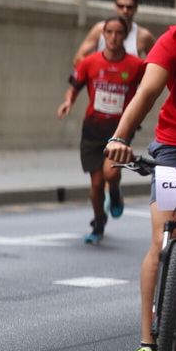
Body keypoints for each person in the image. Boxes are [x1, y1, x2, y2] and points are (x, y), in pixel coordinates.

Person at [103, 22, 176, 351]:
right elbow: (147, 92)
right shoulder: (174, 40)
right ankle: (148, 350)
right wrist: (120, 136)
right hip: (175, 151)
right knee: (164, 239)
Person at [59, 16, 144, 244]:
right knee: (96, 185)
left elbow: (148, 90)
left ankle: (114, 192)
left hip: (119, 131)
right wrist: (68, 101)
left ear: (125, 36)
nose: (113, 37)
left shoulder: (136, 66)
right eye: (109, 32)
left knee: (111, 173)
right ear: (103, 35)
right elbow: (74, 86)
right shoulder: (89, 62)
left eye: (118, 33)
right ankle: (98, 222)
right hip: (92, 130)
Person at [74, 0, 156, 61]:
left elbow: (157, 64)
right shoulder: (99, 29)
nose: (125, 11)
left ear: (136, 8)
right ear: (115, 6)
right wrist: (96, 70)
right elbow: (78, 58)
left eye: (129, 7)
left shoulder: (144, 36)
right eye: (121, 6)